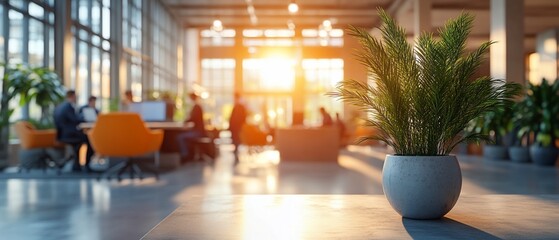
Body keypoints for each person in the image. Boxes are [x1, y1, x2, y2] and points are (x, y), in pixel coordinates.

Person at [53, 90, 95, 172]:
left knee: (80, 143)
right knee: (90, 139)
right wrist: (84, 118)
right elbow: (75, 120)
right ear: (72, 96)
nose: (76, 98)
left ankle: (77, 165)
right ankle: (86, 165)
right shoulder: (68, 107)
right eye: (75, 96)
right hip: (70, 135)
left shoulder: (60, 106)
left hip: (62, 134)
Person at [176, 93, 207, 163]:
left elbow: (193, 118)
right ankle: (189, 155)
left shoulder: (197, 106)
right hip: (198, 131)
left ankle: (185, 155)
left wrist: (185, 122)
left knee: (180, 137)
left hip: (198, 132)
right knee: (184, 137)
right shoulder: (197, 106)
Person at [228, 92, 247, 164]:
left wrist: (240, 126)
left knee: (237, 140)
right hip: (234, 128)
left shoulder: (240, 107)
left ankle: (236, 153)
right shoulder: (235, 107)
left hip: (237, 128)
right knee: (235, 140)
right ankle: (235, 152)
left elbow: (243, 118)